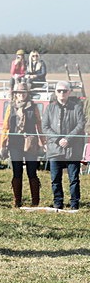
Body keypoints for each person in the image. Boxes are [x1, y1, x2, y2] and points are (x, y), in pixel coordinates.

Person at [0, 82, 46, 207]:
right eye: (19, 93)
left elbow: (39, 126)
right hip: (15, 144)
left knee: (32, 172)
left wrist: (43, 142)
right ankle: (17, 201)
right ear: (15, 94)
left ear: (27, 94)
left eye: (23, 92)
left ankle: (35, 201)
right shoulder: (11, 107)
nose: (21, 95)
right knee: (17, 172)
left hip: (31, 143)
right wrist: (3, 145)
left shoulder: (34, 107)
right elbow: (5, 127)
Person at [41, 80, 86, 210]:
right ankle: (58, 203)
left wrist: (68, 139)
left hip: (73, 150)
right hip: (55, 149)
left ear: (69, 92)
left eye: (64, 91)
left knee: (74, 179)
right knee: (55, 179)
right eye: (59, 91)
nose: (62, 93)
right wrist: (59, 139)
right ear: (55, 92)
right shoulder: (50, 108)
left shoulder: (76, 107)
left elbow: (80, 124)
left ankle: (74, 204)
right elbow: (45, 127)